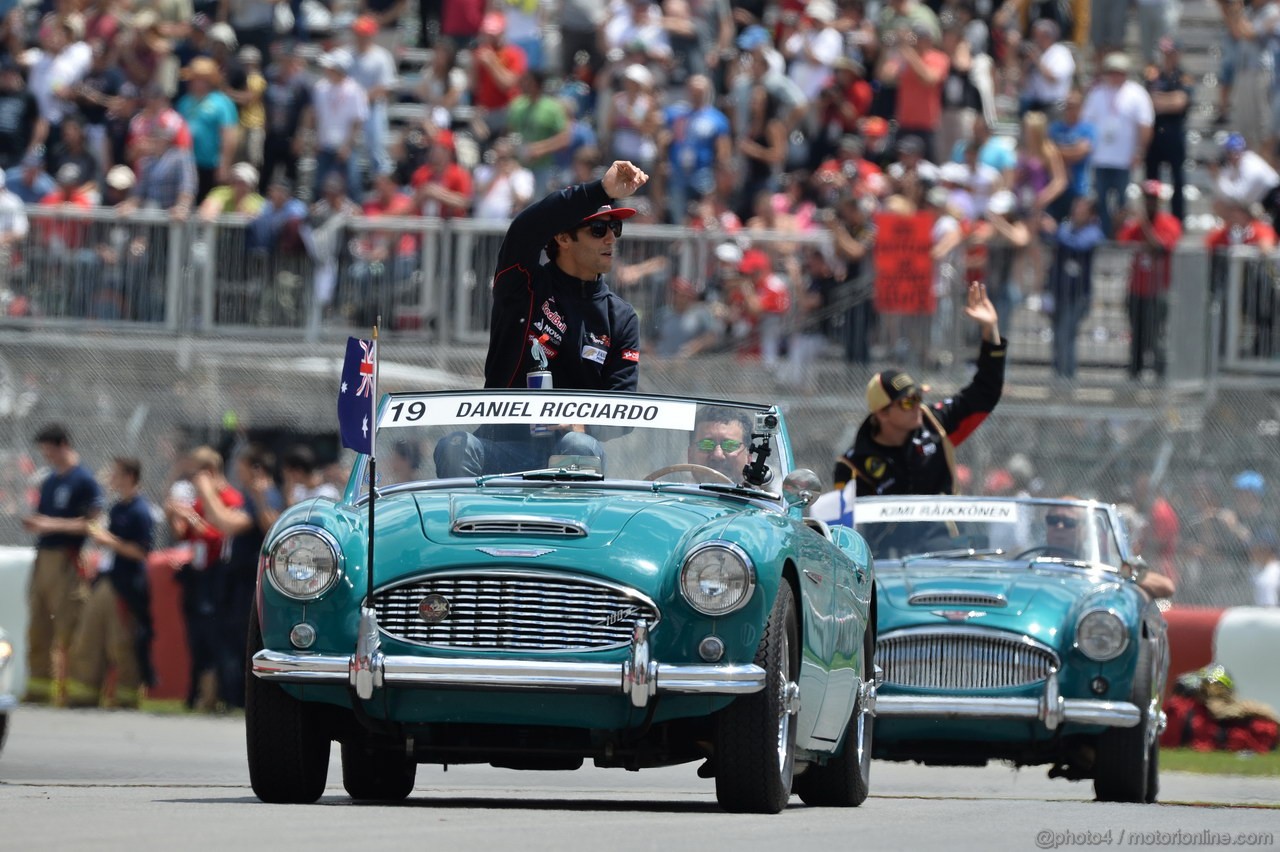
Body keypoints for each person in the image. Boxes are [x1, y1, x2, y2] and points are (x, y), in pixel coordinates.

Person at [434, 160, 649, 478]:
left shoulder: (621, 317)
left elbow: (625, 409)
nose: (610, 239)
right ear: (562, 238)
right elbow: (526, 228)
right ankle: (462, 524)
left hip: (570, 454)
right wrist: (599, 190)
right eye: (598, 229)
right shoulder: (523, 285)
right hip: (502, 447)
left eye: (615, 228)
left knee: (580, 445)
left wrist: (578, 424)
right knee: (455, 446)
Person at [832, 281, 1006, 496]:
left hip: (944, 530)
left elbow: (985, 393)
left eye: (918, 397)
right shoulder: (852, 466)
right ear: (883, 413)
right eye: (907, 402)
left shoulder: (934, 424)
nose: (917, 406)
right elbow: (851, 526)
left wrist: (990, 330)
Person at [21, 423, 104, 704]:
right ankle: (39, 689)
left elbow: (92, 524)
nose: (46, 456)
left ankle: (75, 691)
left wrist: (50, 523)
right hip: (43, 557)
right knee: (39, 624)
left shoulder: (83, 480)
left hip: (66, 560)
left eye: (48, 450)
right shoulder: (51, 481)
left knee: (71, 626)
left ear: (62, 445)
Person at [64, 457, 155, 709]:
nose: (111, 478)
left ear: (128, 476)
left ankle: (127, 697)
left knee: (121, 640)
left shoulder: (140, 511)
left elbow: (141, 552)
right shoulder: (117, 509)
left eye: (116, 474)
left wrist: (109, 541)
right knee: (89, 635)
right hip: (106, 580)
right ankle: (84, 694)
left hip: (126, 584)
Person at [1116, 179, 1182, 381]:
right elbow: (1120, 241)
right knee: (1136, 337)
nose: (1150, 203)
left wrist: (1143, 223)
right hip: (1137, 289)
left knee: (1155, 339)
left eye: (1154, 199)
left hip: (1158, 290)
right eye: (1147, 199)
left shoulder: (1169, 223)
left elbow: (1160, 247)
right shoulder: (1136, 226)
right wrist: (1120, 218)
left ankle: (1160, 382)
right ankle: (1134, 380)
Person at [686, 406, 752, 482]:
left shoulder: (764, 493)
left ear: (748, 457)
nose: (718, 455)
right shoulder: (672, 492)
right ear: (690, 455)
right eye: (706, 445)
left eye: (730, 445)